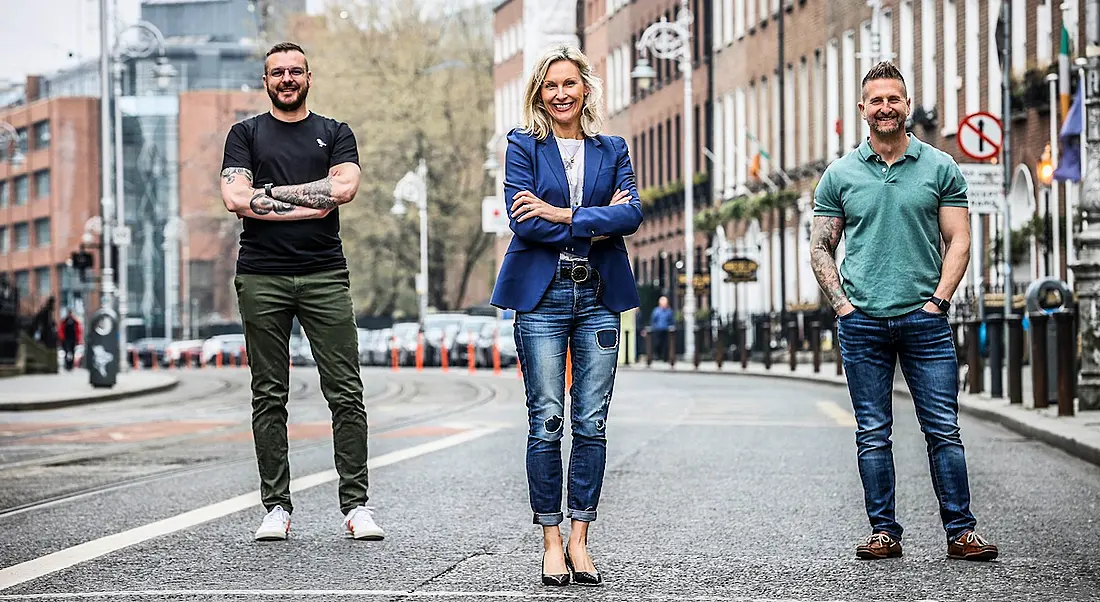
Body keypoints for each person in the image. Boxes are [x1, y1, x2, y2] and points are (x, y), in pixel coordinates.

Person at [810, 61, 998, 561]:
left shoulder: (940, 167)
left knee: (943, 428)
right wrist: (844, 307)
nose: (885, 107)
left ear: (907, 106)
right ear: (863, 109)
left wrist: (939, 301)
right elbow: (821, 247)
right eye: (876, 100)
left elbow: (959, 239)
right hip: (862, 323)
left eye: (894, 99)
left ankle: (961, 532)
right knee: (873, 433)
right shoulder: (840, 174)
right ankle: (883, 532)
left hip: (925, 320)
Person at [490, 44, 643, 587]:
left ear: (585, 90)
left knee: (592, 421)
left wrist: (563, 213)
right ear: (539, 93)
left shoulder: (612, 147)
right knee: (547, 420)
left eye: (570, 84)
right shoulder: (522, 145)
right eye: (551, 86)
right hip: (543, 295)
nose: (561, 94)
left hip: (599, 295)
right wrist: (594, 223)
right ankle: (551, 540)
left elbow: (634, 213)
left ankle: (581, 540)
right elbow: (523, 220)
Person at [219, 42, 383, 542]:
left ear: (309, 77)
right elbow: (233, 198)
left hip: (324, 275)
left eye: (295, 71)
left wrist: (266, 196)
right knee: (269, 394)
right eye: (277, 72)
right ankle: (276, 508)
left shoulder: (335, 133)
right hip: (261, 276)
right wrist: (307, 196)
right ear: (265, 80)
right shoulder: (244, 134)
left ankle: (356, 507)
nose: (286, 79)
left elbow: (341, 192)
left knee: (346, 391)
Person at [648, 295, 674, 362]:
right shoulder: (656, 311)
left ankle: (665, 358)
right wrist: (654, 326)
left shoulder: (669, 311)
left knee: (666, 344)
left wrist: (670, 326)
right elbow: (653, 320)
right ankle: (657, 356)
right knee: (657, 343)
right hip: (658, 330)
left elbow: (671, 320)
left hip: (666, 330)